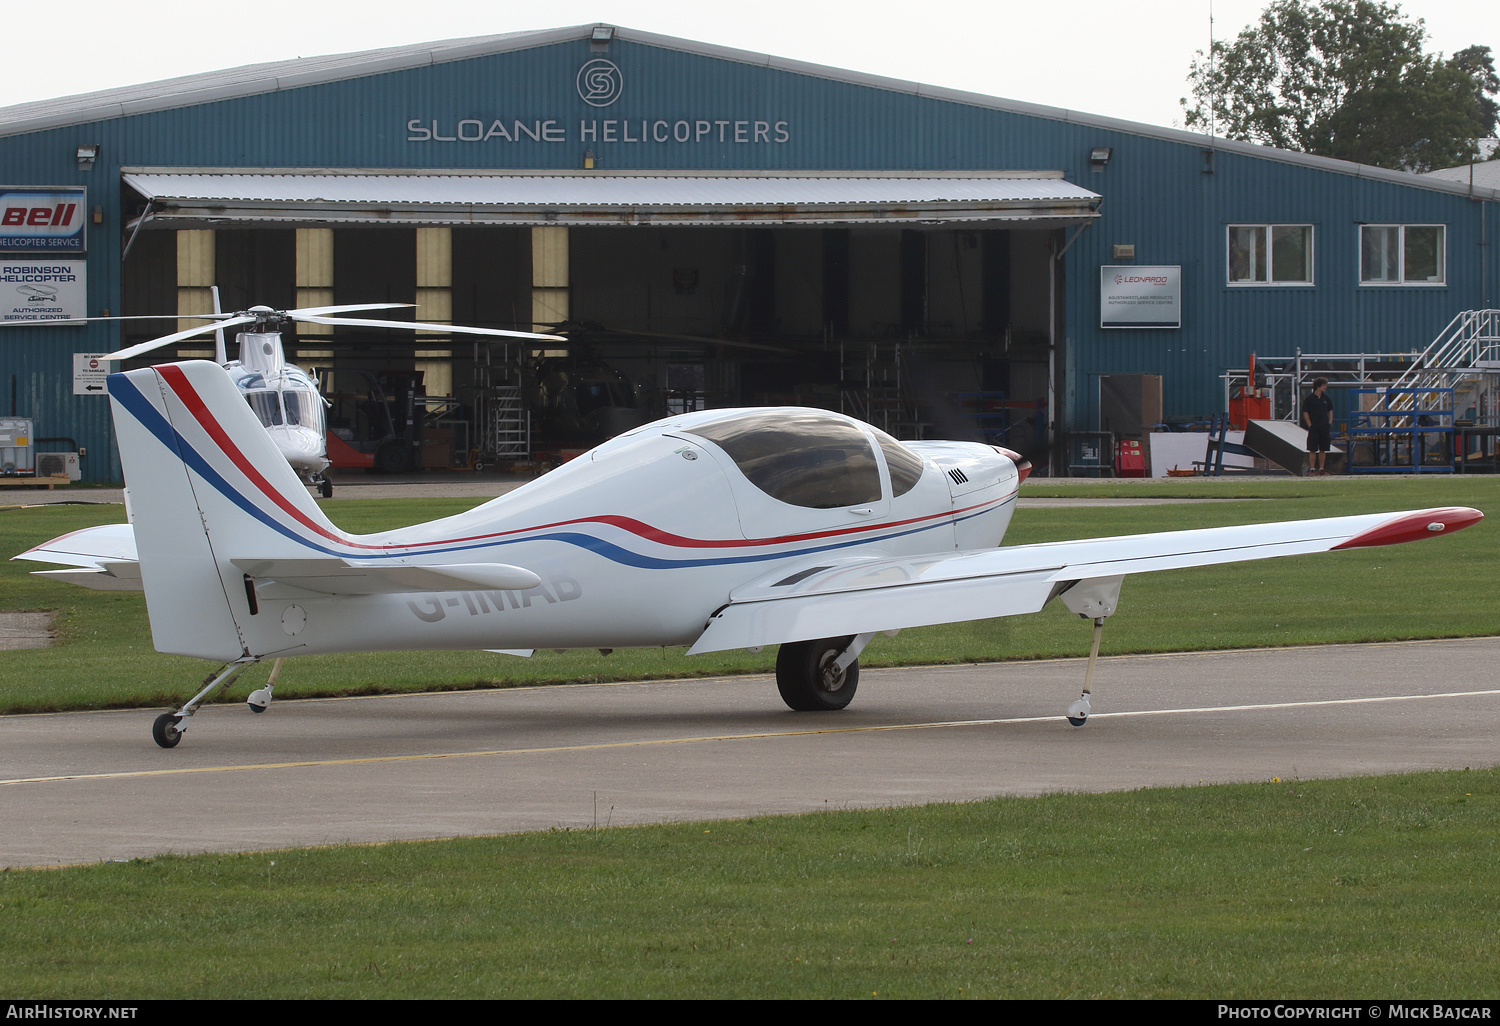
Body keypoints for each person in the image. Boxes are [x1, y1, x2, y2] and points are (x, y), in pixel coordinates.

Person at [1302, 377, 1334, 475]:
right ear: (1318, 386)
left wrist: (1329, 423)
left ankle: (1321, 469)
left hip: (1324, 426)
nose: (1325, 387)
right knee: (1312, 448)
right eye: (1324, 385)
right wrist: (1310, 424)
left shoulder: (1326, 398)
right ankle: (1312, 469)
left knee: (1323, 448)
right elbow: (1305, 412)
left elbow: (1330, 411)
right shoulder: (1309, 399)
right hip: (1314, 426)